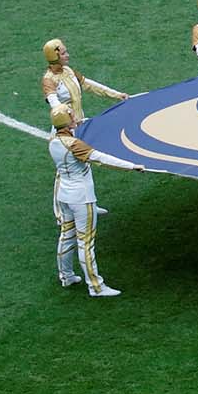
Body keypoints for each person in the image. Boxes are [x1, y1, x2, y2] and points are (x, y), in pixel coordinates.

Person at [48, 105, 142, 295]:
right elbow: (102, 158)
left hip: (64, 195)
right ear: (67, 122)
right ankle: (96, 286)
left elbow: (74, 126)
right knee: (85, 242)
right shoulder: (75, 145)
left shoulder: (53, 140)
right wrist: (132, 166)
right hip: (82, 198)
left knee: (66, 236)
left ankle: (66, 276)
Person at [39, 38, 130, 120]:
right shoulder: (49, 80)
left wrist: (117, 95)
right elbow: (55, 104)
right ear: (54, 57)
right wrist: (69, 117)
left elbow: (89, 85)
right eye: (63, 54)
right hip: (66, 128)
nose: (68, 55)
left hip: (79, 123)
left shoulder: (68, 70)